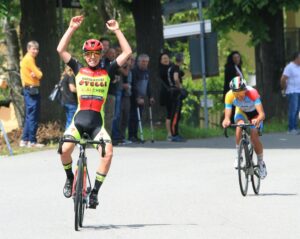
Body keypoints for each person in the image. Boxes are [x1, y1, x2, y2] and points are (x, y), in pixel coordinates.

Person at [57, 15, 132, 209]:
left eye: (96, 54)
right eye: (89, 54)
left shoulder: (108, 69)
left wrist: (116, 29)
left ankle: (95, 193)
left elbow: (127, 52)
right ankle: (70, 178)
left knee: (108, 153)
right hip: (78, 122)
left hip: (97, 125)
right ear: (84, 56)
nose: (92, 57)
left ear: (100, 55)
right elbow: (60, 49)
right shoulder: (78, 68)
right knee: (64, 150)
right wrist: (71, 27)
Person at [222, 76, 267, 179]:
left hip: (255, 114)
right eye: (236, 94)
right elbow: (227, 116)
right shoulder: (229, 95)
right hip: (242, 112)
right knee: (239, 126)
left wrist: (258, 120)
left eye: (241, 93)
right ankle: (239, 156)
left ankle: (260, 163)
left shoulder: (252, 93)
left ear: (245, 90)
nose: (239, 97)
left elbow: (262, 114)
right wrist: (226, 120)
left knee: (254, 136)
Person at [19, 40, 44, 148]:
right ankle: (32, 141)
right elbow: (40, 74)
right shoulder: (29, 59)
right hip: (31, 90)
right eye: (33, 49)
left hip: (28, 89)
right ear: (28, 49)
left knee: (29, 116)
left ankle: (24, 140)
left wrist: (36, 72)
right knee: (33, 116)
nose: (35, 51)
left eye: (37, 49)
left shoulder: (26, 59)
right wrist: (38, 72)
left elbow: (36, 73)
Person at [128, 54, 155, 142]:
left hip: (142, 97)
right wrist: (137, 97)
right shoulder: (134, 71)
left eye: (146, 62)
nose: (145, 63)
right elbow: (134, 85)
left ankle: (135, 135)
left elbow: (148, 85)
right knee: (133, 116)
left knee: (138, 117)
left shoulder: (147, 72)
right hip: (134, 97)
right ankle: (131, 135)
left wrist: (150, 96)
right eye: (143, 61)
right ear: (138, 62)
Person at [168, 53, 186, 142]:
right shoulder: (176, 68)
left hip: (172, 92)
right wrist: (180, 88)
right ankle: (174, 134)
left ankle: (176, 133)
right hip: (176, 93)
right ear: (182, 60)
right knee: (176, 115)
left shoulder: (171, 67)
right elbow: (175, 78)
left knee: (175, 114)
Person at [280, 51, 300, 135]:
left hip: (299, 91)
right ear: (296, 58)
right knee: (293, 110)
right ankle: (291, 128)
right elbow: (283, 79)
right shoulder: (289, 67)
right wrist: (285, 88)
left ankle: (295, 127)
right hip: (292, 91)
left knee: (297, 110)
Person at [223, 51, 244, 123]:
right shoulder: (230, 68)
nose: (237, 59)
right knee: (232, 108)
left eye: (238, 57)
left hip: (239, 92)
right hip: (232, 92)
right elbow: (230, 81)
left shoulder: (238, 67)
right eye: (235, 58)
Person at [159, 52, 173, 141]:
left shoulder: (172, 67)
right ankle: (169, 133)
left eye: (167, 58)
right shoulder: (161, 70)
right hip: (167, 93)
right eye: (163, 58)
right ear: (160, 61)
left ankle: (174, 131)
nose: (166, 59)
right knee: (169, 114)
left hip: (174, 92)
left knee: (174, 113)